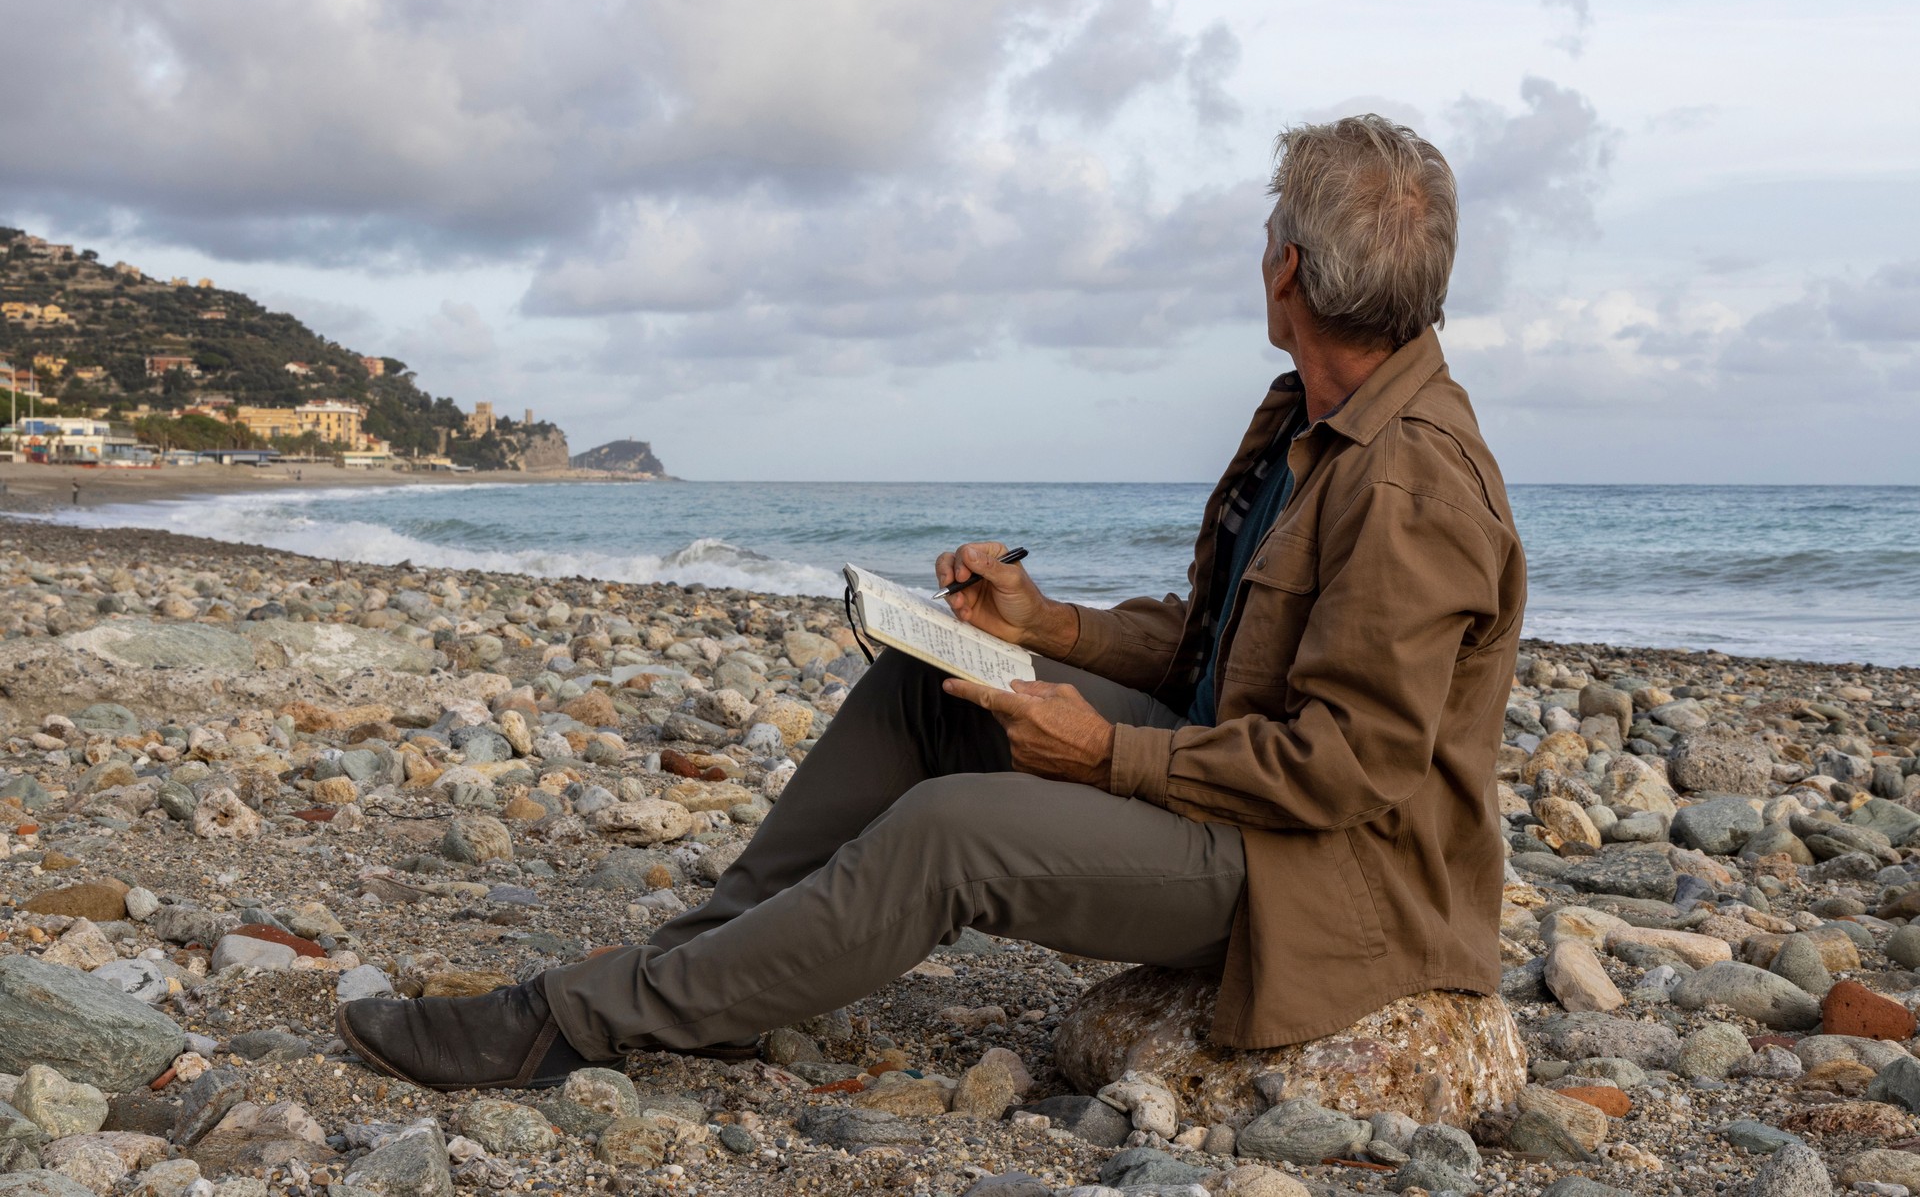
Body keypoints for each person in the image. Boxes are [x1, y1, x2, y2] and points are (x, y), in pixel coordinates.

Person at [337, 115, 1528, 1090]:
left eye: (1268, 230)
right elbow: (1226, 650)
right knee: (934, 683)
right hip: (1235, 780)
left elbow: (1346, 769)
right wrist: (1044, 627)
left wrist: (1105, 751)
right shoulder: (1305, 418)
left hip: (1320, 873)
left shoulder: (1411, 479)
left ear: (1292, 269)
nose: (1260, 249)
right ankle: (710, 971)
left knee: (951, 830)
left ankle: (573, 1022)